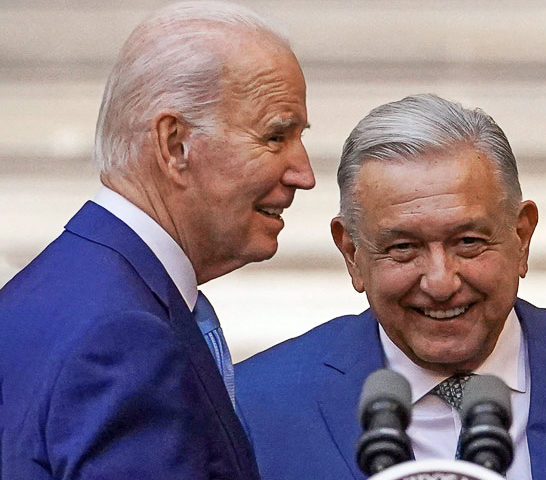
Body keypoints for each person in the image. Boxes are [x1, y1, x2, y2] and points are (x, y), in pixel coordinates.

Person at [235, 93, 546, 480]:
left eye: (469, 242)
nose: (440, 283)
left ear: (521, 237)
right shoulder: (258, 404)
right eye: (403, 249)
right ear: (352, 254)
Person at [0, 2, 314, 478]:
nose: (304, 174)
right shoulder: (125, 338)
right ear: (174, 145)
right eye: (275, 136)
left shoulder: (46, 291)